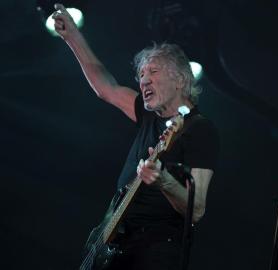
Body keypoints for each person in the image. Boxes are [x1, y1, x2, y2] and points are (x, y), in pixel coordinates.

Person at [52, 3, 219, 270]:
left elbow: (196, 209)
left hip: (156, 250)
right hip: (117, 244)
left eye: (153, 72)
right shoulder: (148, 116)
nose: (143, 81)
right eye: (141, 74)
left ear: (180, 79)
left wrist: (164, 180)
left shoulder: (199, 129)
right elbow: (105, 87)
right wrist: (72, 36)